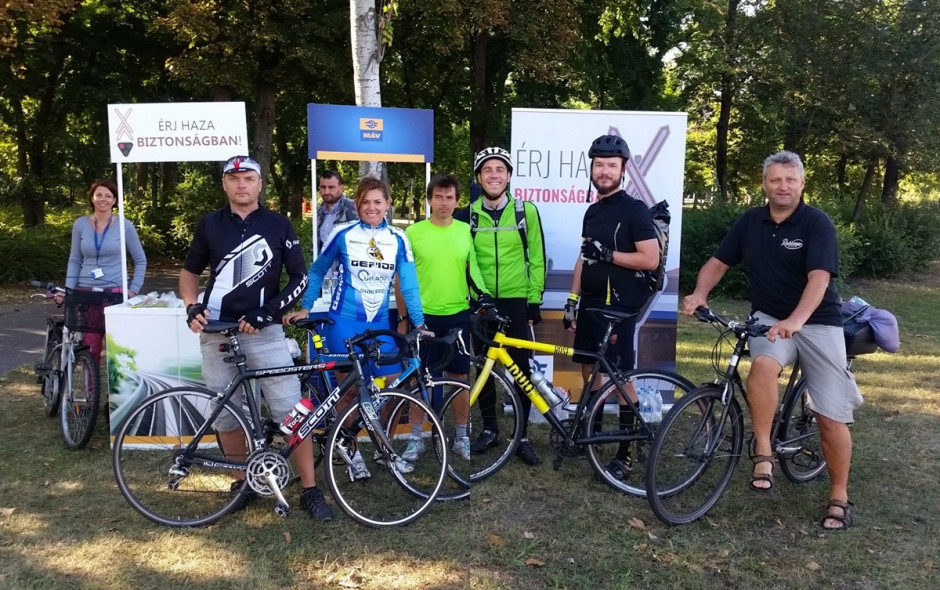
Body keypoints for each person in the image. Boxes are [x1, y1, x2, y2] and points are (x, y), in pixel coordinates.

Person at [683, 150, 863, 530]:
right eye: (776, 180)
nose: (783, 186)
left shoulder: (817, 223)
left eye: (790, 180)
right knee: (762, 367)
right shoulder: (751, 221)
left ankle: (839, 495)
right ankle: (763, 449)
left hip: (818, 321)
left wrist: (796, 320)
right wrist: (700, 293)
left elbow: (819, 279)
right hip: (768, 318)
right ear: (764, 184)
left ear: (802, 183)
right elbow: (718, 263)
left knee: (830, 416)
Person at [180, 155, 333, 521]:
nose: (241, 184)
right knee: (226, 414)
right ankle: (242, 483)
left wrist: (269, 311)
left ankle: (310, 489)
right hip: (217, 331)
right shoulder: (210, 223)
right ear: (224, 184)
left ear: (260, 183)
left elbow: (300, 277)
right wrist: (191, 305)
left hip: (265, 332)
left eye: (248, 178)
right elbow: (189, 272)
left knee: (292, 412)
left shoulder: (278, 223)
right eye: (234, 179)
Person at [283, 176, 427, 479]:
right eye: (365, 202)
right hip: (344, 324)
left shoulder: (399, 239)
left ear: (387, 204)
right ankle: (351, 451)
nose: (372, 207)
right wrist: (307, 306)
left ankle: (383, 448)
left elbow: (409, 284)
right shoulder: (343, 233)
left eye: (378, 202)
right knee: (347, 394)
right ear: (357, 204)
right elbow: (318, 270)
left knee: (393, 387)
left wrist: (419, 321)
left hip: (379, 325)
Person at [563, 134, 660, 481]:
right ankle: (592, 436)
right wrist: (572, 300)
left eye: (611, 165)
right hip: (590, 305)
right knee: (590, 372)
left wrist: (609, 254)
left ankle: (626, 452)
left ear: (623, 170)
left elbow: (650, 259)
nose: (604, 171)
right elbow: (584, 257)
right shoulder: (592, 211)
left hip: (619, 309)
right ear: (592, 168)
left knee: (620, 380)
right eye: (599, 165)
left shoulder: (634, 209)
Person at [455, 147, 546, 466]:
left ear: (508, 176)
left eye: (500, 170)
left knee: (520, 368)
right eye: (487, 170)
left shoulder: (526, 211)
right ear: (479, 178)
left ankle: (522, 436)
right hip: (482, 302)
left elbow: (537, 256)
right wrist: (479, 296)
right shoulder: (466, 216)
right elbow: (467, 260)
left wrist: (533, 299)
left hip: (515, 299)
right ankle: (490, 429)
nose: (494, 175)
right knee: (484, 367)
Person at [397, 174, 494, 462]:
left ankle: (461, 437)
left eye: (449, 197)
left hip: (457, 317)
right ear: (429, 200)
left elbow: (473, 269)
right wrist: (403, 317)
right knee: (419, 379)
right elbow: (402, 278)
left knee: (459, 378)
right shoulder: (413, 233)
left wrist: (484, 297)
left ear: (457, 201)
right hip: (422, 318)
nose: (443, 202)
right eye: (438, 197)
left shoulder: (465, 230)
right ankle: (416, 439)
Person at [60, 179, 147, 367]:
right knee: (90, 348)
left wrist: (133, 290)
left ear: (114, 200)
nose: (103, 199)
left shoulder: (124, 225)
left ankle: (118, 386)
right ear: (92, 198)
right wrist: (69, 290)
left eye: (108, 195)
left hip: (115, 293)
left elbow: (140, 259)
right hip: (87, 293)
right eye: (99, 194)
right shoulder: (80, 224)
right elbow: (75, 260)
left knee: (119, 347)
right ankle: (92, 386)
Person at [316, 170, 358, 251]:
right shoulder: (319, 211)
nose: (326, 191)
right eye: (323, 187)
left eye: (331, 187)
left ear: (341, 188)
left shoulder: (354, 208)